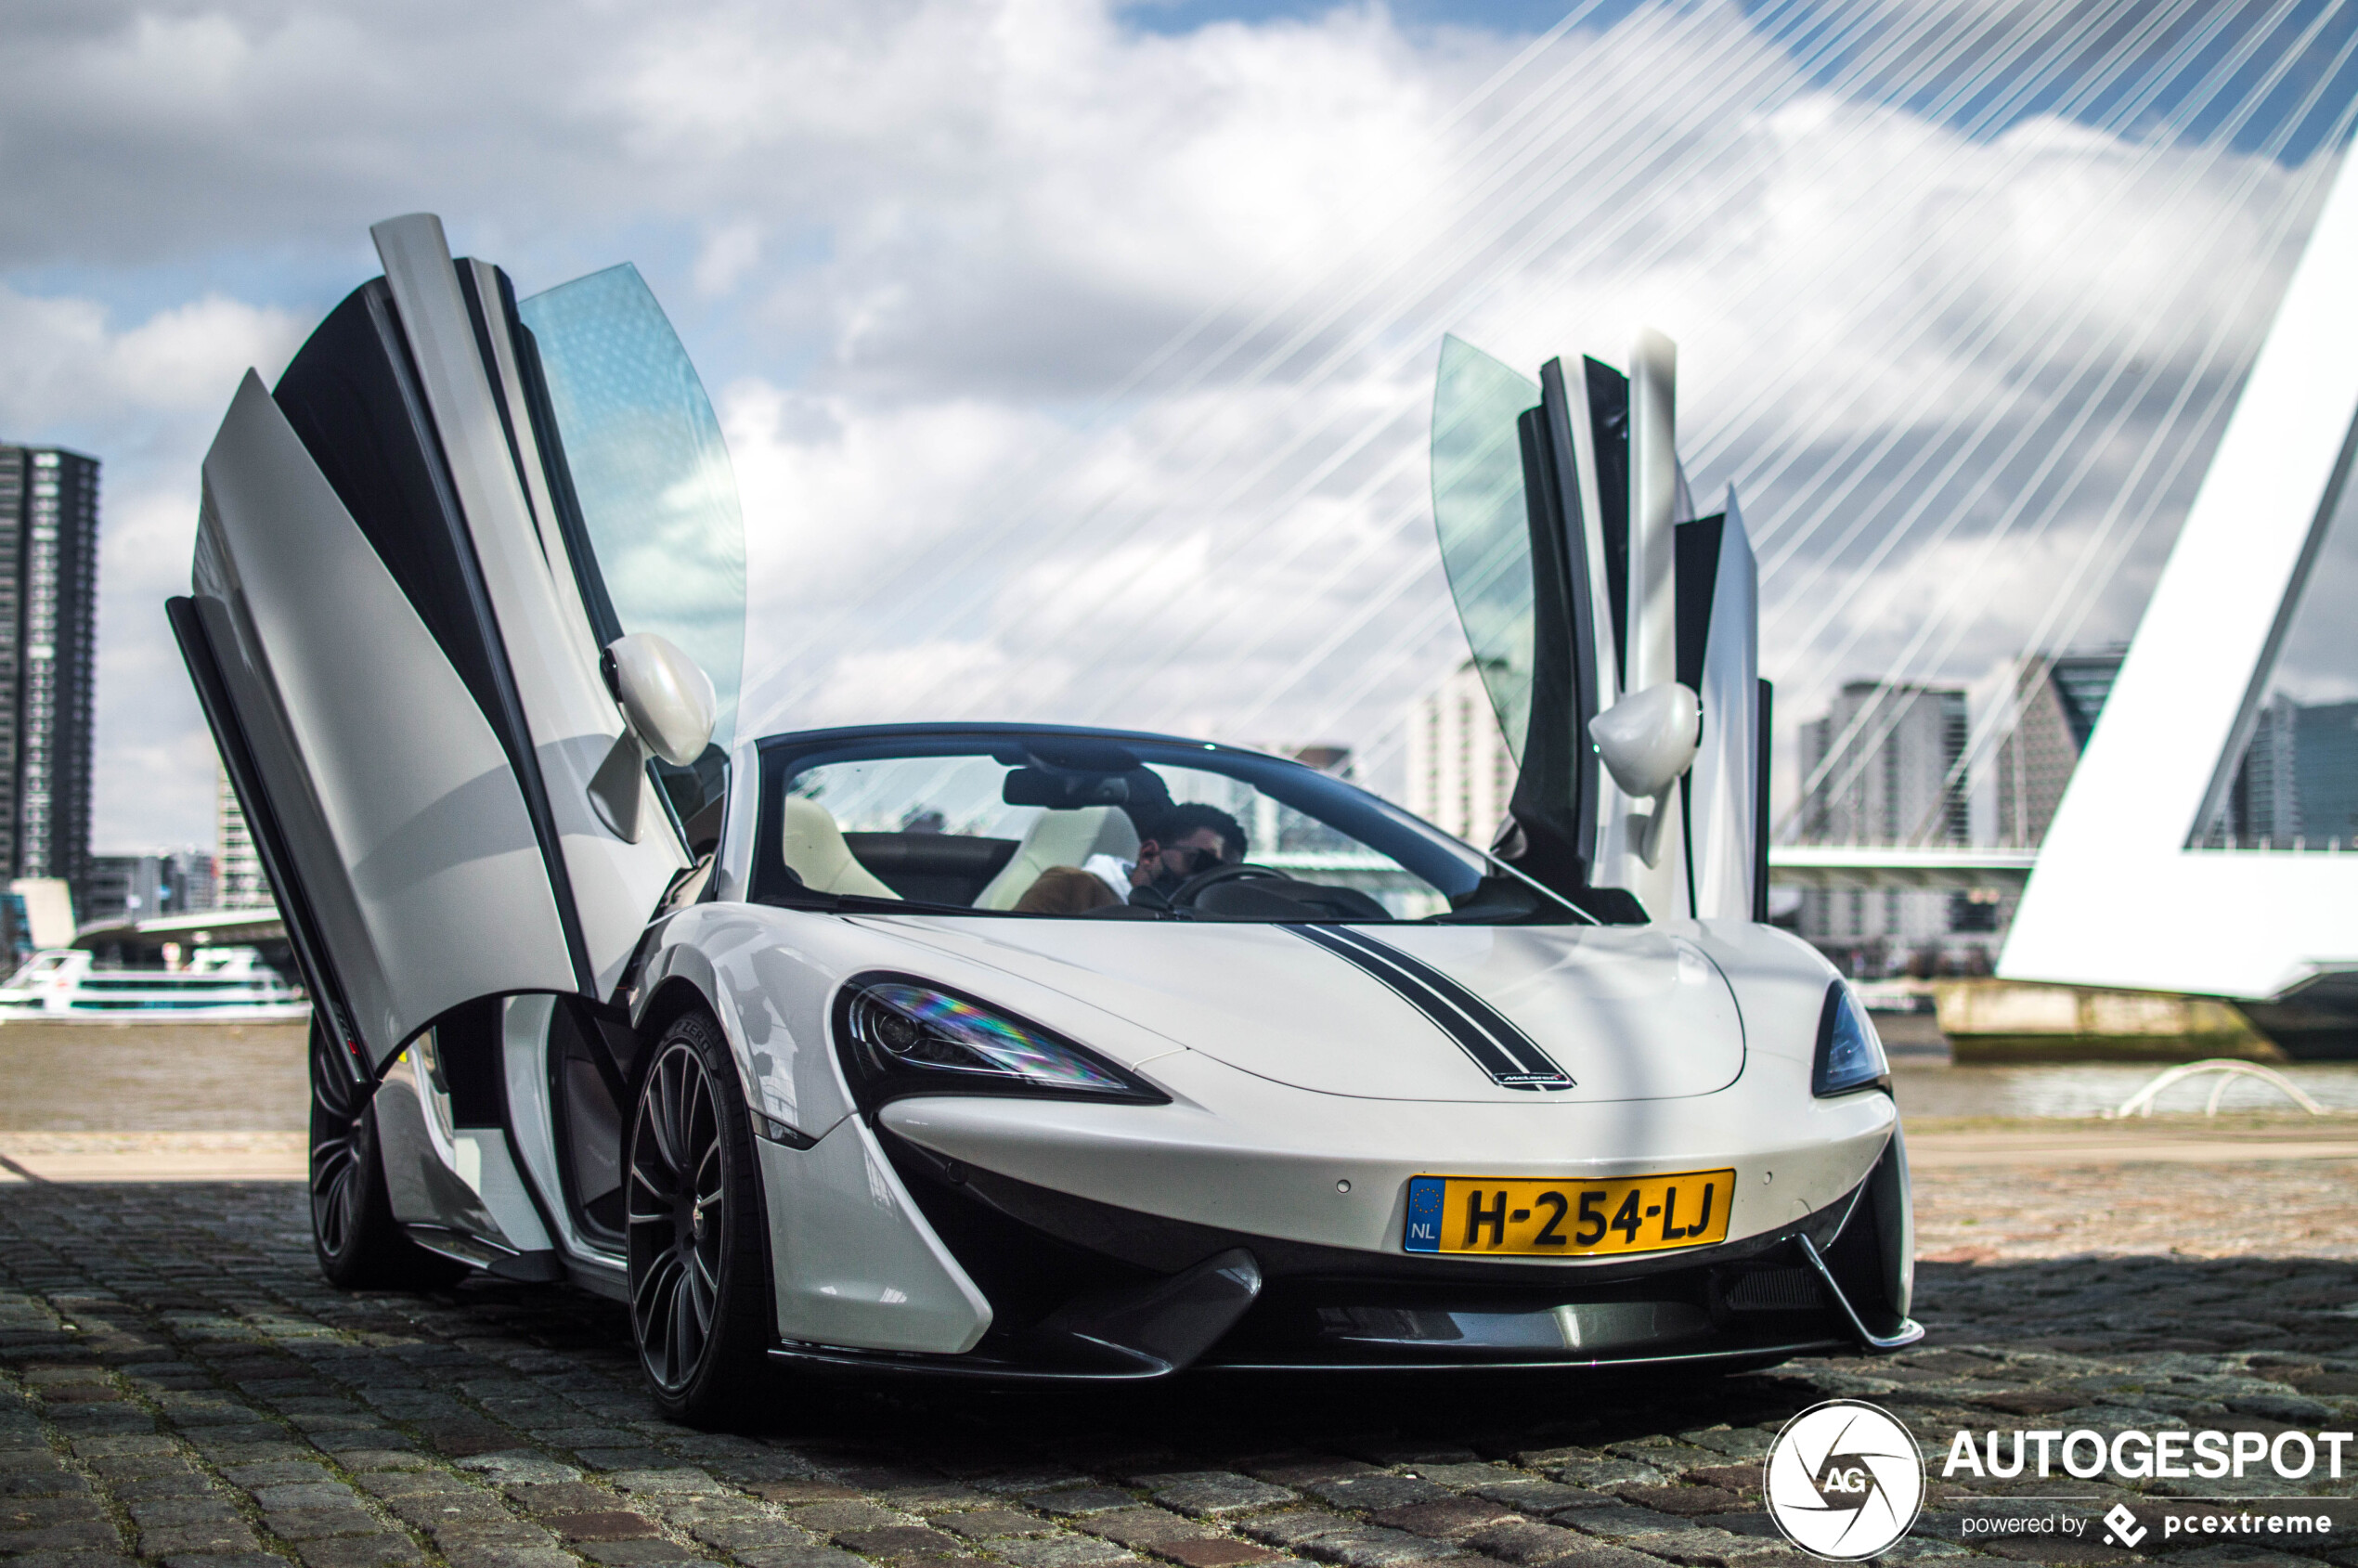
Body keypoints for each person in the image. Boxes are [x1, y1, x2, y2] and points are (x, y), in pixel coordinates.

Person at [1082, 803, 1248, 905]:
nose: (1208, 879)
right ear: (1149, 854)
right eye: (1202, 862)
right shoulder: (1076, 890)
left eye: (1226, 875)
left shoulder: (1219, 923)